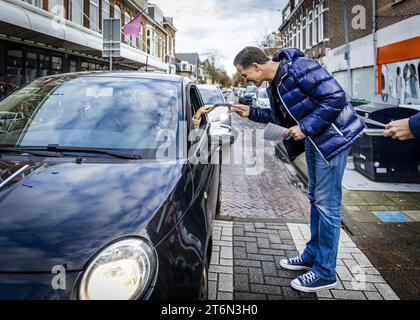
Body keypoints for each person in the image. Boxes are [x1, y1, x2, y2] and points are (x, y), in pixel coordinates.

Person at [230, 46, 365, 293]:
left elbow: (336, 97)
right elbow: (281, 116)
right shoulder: (274, 84)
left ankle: (325, 272)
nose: (244, 79)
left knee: (327, 206)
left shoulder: (300, 68)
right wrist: (252, 113)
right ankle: (311, 256)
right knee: (316, 200)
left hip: (332, 140)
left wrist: (305, 127)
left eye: (244, 74)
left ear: (257, 67)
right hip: (316, 140)